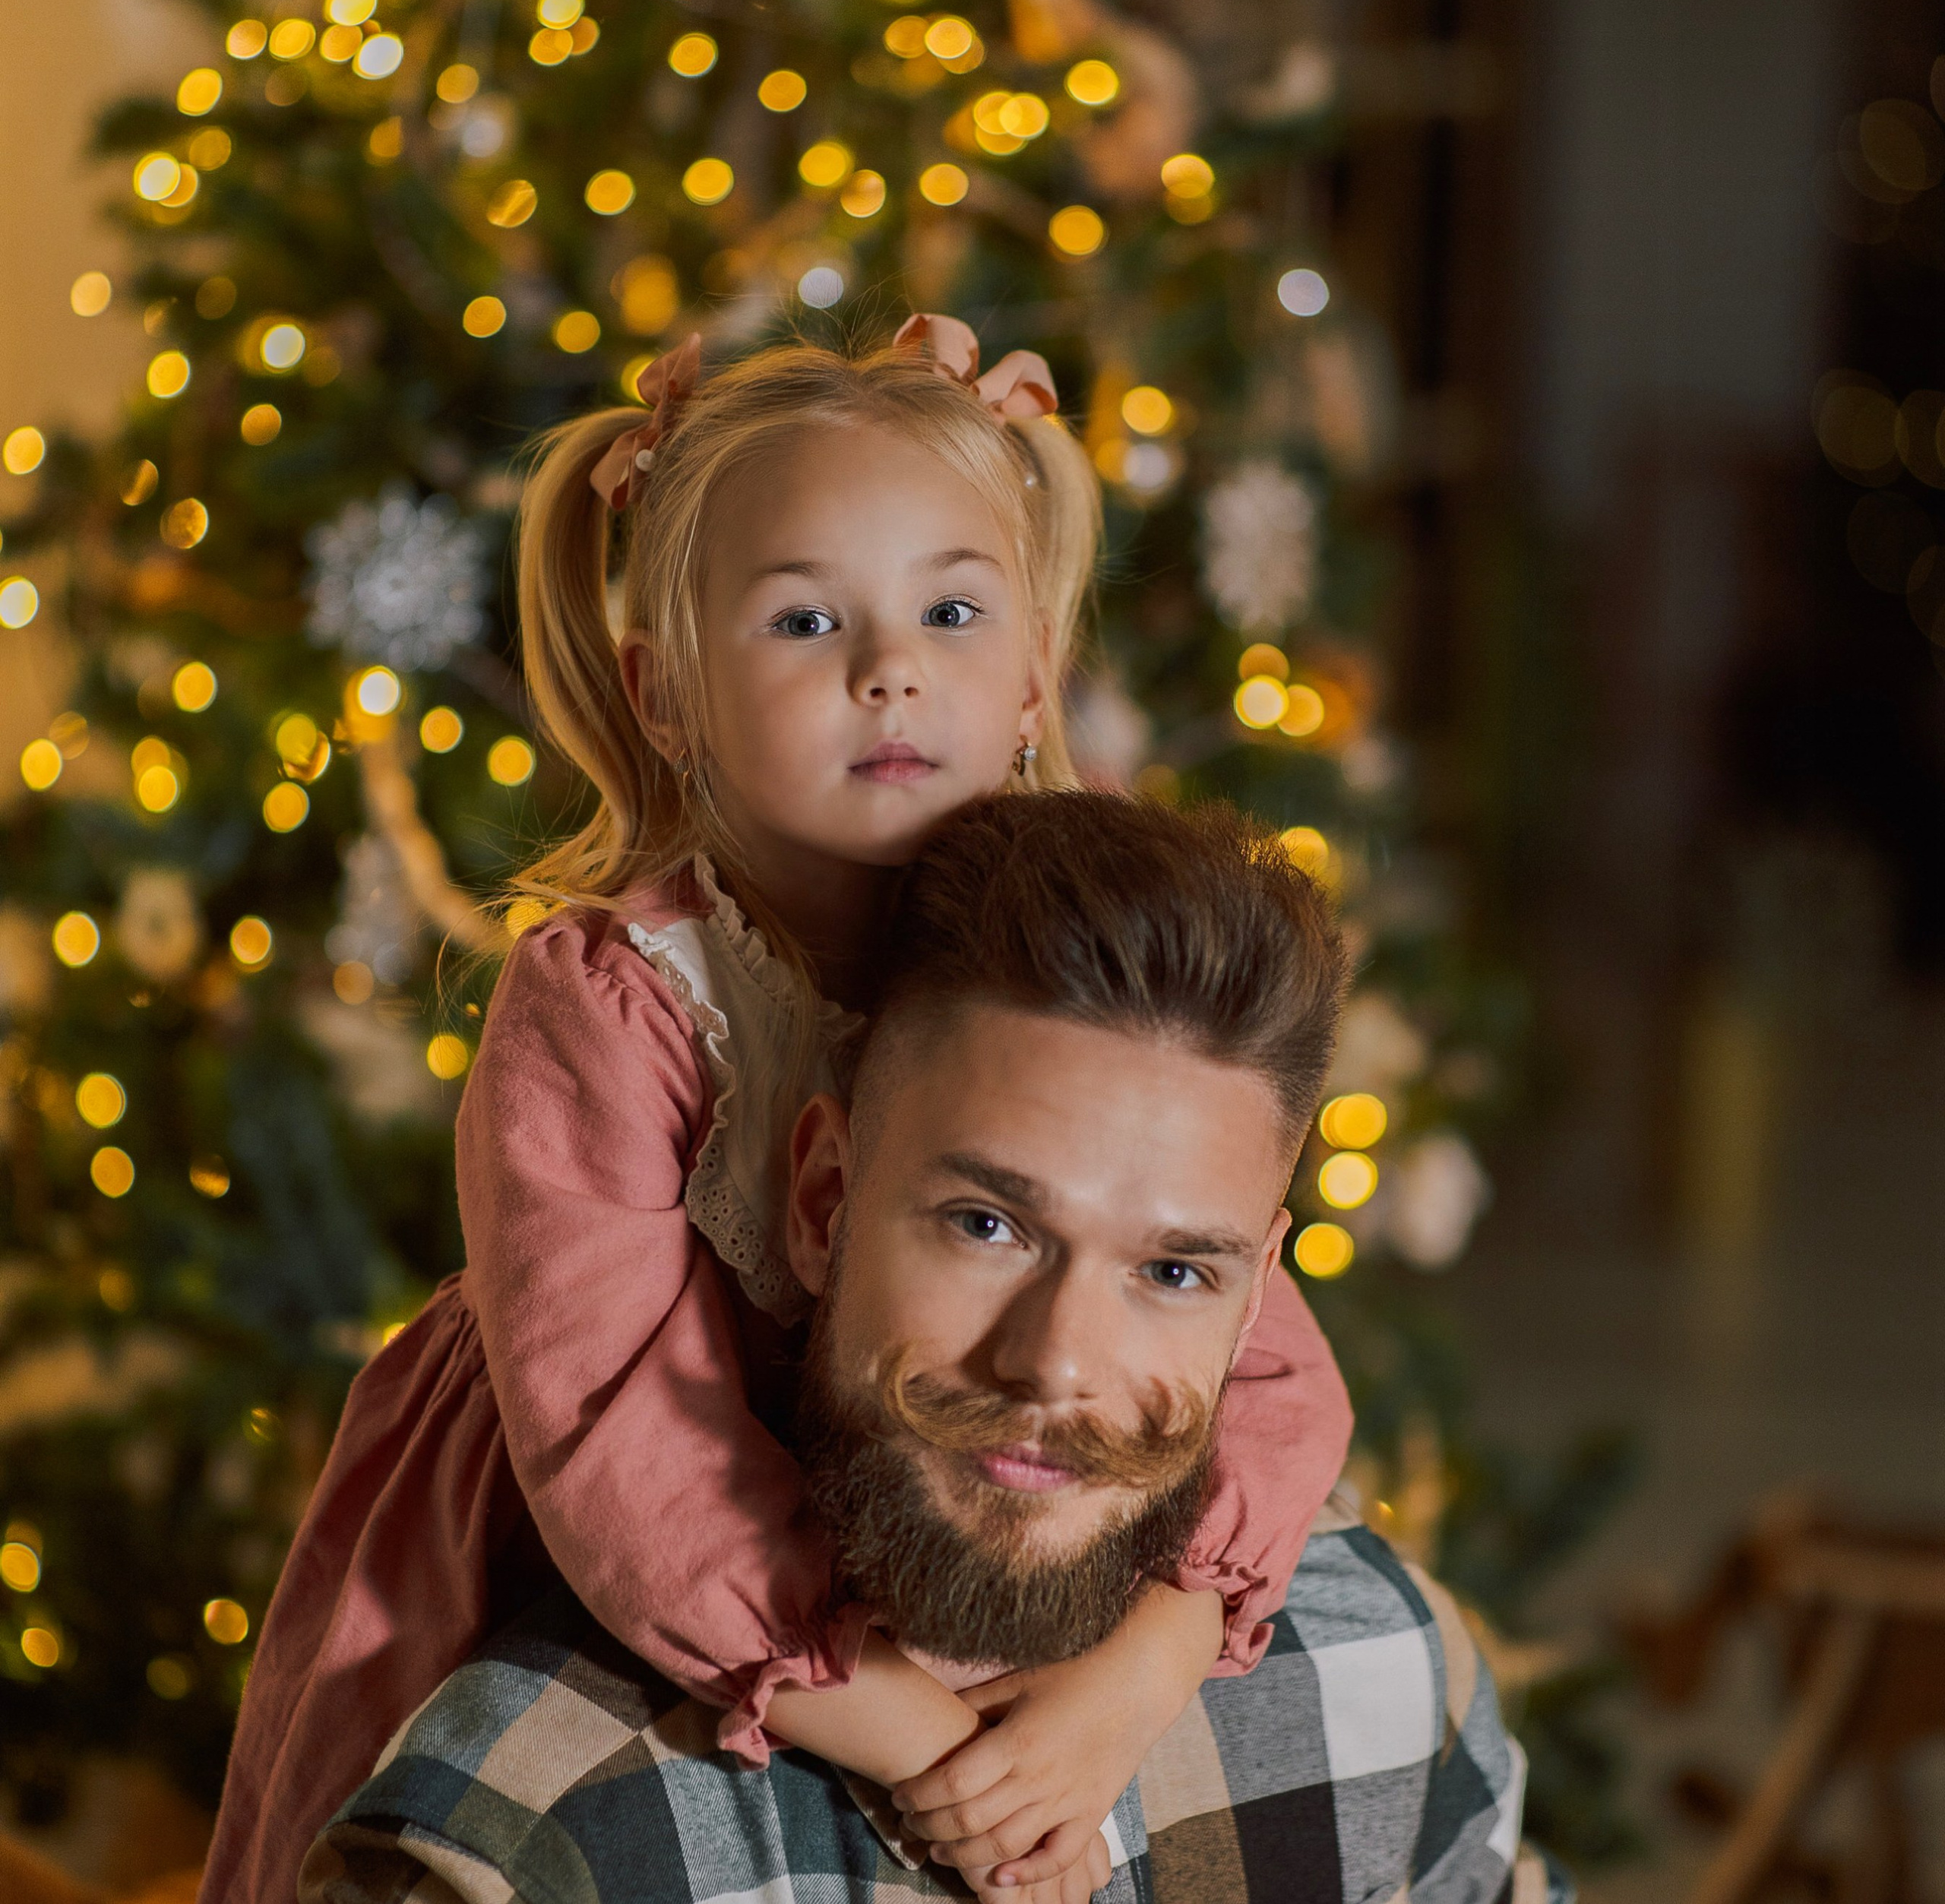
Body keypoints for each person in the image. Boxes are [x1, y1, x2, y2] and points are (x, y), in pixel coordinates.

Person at [203, 321, 1354, 1904]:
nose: (889, 667)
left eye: (950, 609)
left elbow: (1268, 1357)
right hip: (604, 1541)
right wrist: (928, 1747)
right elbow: (629, 1446)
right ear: (663, 691)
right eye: (804, 618)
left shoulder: (1062, 997)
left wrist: (1140, 1666)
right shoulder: (614, 1002)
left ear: (1028, 676)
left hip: (911, 1500)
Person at [299, 794, 1566, 1904]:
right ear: (819, 1203)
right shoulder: (535, 1838)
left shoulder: (1390, 1674)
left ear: (1255, 1300)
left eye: (1174, 1271)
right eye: (988, 1225)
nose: (1055, 1365)